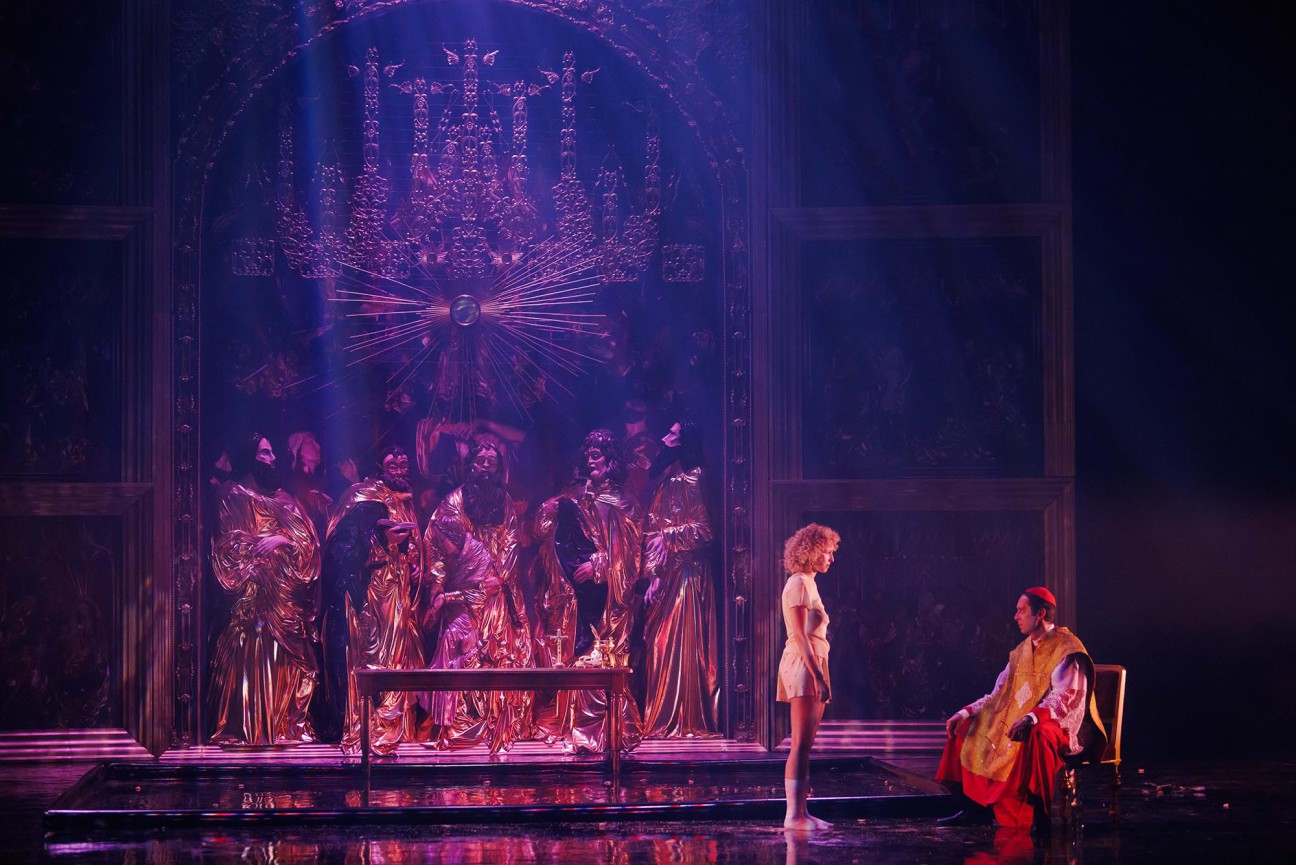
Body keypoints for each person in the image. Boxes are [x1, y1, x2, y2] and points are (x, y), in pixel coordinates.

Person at [936, 587, 1107, 833]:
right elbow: (998, 695)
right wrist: (965, 712)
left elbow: (1065, 697)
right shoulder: (1021, 651)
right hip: (1022, 719)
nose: (1015, 616)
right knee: (969, 726)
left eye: (1021, 610)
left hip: (1061, 724)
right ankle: (975, 809)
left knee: (1038, 734)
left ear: (1041, 613)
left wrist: (1031, 718)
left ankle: (1042, 815)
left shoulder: (1068, 648)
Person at [531, 429, 644, 752]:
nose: (591, 461)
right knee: (573, 653)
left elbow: (629, 554)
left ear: (611, 460)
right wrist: (550, 510)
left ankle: (606, 727)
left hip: (608, 597)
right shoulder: (578, 496)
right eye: (588, 456)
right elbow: (548, 532)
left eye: (597, 455)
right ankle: (574, 724)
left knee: (603, 655)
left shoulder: (623, 502)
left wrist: (599, 565)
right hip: (577, 597)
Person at [208, 433, 321, 746]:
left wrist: (282, 540)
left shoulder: (284, 499)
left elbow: (308, 543)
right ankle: (253, 727)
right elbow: (226, 544)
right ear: (250, 457)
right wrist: (254, 556)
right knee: (254, 651)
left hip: (286, 596)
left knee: (295, 660)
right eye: (265, 453)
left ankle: (285, 725)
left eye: (272, 453)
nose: (272, 459)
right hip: (254, 596)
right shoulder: (232, 495)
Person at [321, 445, 425, 755]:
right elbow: (341, 546)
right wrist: (381, 542)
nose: (399, 467)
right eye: (392, 462)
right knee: (372, 656)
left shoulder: (404, 501)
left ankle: (394, 730)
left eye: (404, 462)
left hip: (398, 592)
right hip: (369, 591)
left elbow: (413, 547)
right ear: (379, 465)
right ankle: (369, 728)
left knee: (398, 657)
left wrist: (413, 562)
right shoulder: (361, 495)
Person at [640, 421, 720, 739]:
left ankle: (688, 717)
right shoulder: (664, 484)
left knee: (679, 643)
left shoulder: (696, 478)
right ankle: (661, 717)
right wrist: (654, 576)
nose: (664, 439)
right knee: (657, 644)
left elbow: (705, 530)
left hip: (689, 575)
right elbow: (651, 534)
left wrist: (669, 537)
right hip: (667, 575)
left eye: (672, 434)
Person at [778, 522, 840, 830]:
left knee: (805, 745)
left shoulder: (809, 583)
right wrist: (818, 676)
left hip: (813, 661)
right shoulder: (799, 583)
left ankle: (801, 812)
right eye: (827, 552)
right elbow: (801, 635)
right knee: (800, 744)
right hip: (804, 664)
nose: (831, 558)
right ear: (812, 552)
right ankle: (793, 816)